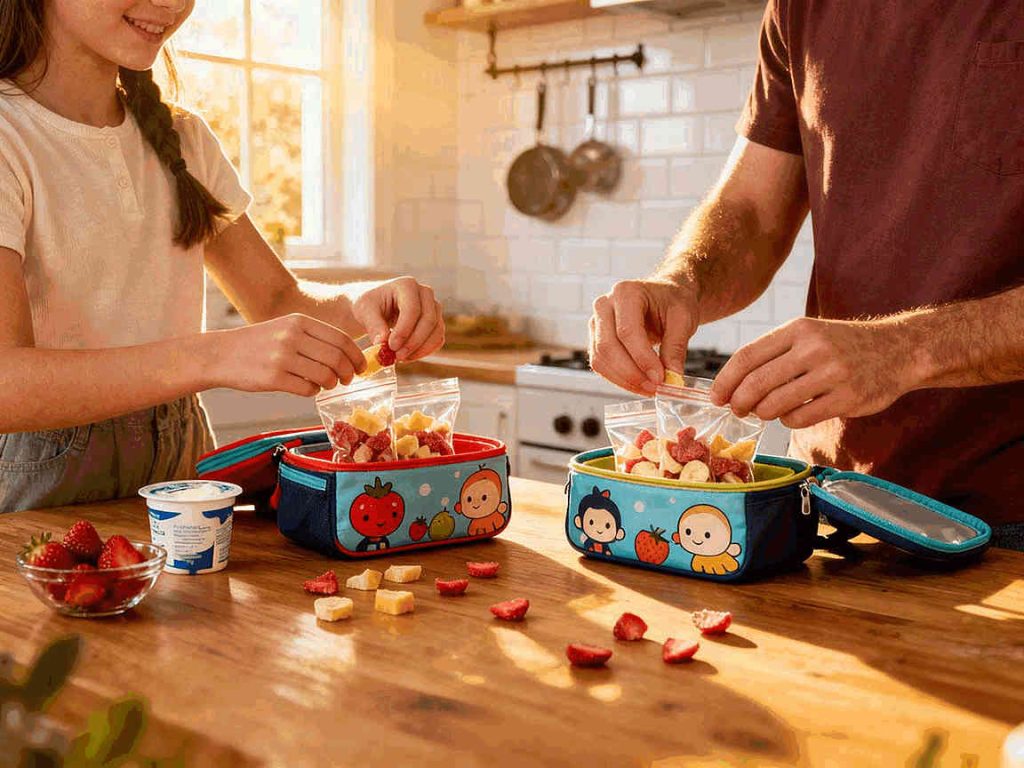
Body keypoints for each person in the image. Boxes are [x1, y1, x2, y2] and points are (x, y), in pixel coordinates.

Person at [589, 1, 1024, 549]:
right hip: (832, 496)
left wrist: (905, 350)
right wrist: (681, 283)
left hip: (1010, 514)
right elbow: (751, 211)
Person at [0, 0, 445, 511]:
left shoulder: (182, 136)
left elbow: (278, 297)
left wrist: (365, 301)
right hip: (31, 475)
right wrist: (212, 355)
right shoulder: (9, 136)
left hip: (181, 448)